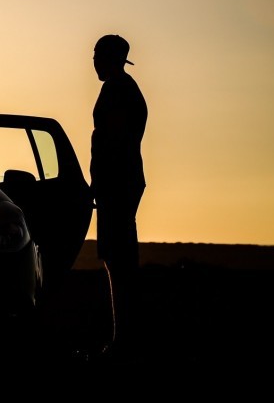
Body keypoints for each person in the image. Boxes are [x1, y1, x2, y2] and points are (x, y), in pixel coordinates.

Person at [90, 34, 148, 359]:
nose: (94, 62)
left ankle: (124, 341)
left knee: (119, 261)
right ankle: (125, 338)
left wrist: (100, 183)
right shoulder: (121, 88)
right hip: (120, 181)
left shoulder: (117, 90)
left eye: (98, 55)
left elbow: (112, 141)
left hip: (118, 183)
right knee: (119, 260)